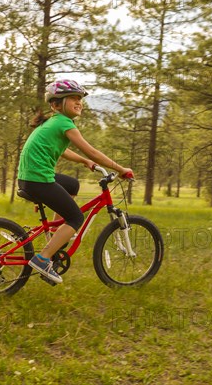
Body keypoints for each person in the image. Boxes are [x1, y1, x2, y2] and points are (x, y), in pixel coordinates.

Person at [18, 79, 133, 284]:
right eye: (73, 98)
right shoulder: (64, 122)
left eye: (80, 99)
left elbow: (64, 151)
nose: (79, 102)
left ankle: (54, 234)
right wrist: (120, 169)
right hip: (38, 180)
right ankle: (43, 259)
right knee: (76, 218)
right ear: (56, 104)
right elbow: (92, 151)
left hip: (31, 178)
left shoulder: (54, 123)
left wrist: (83, 161)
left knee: (72, 185)